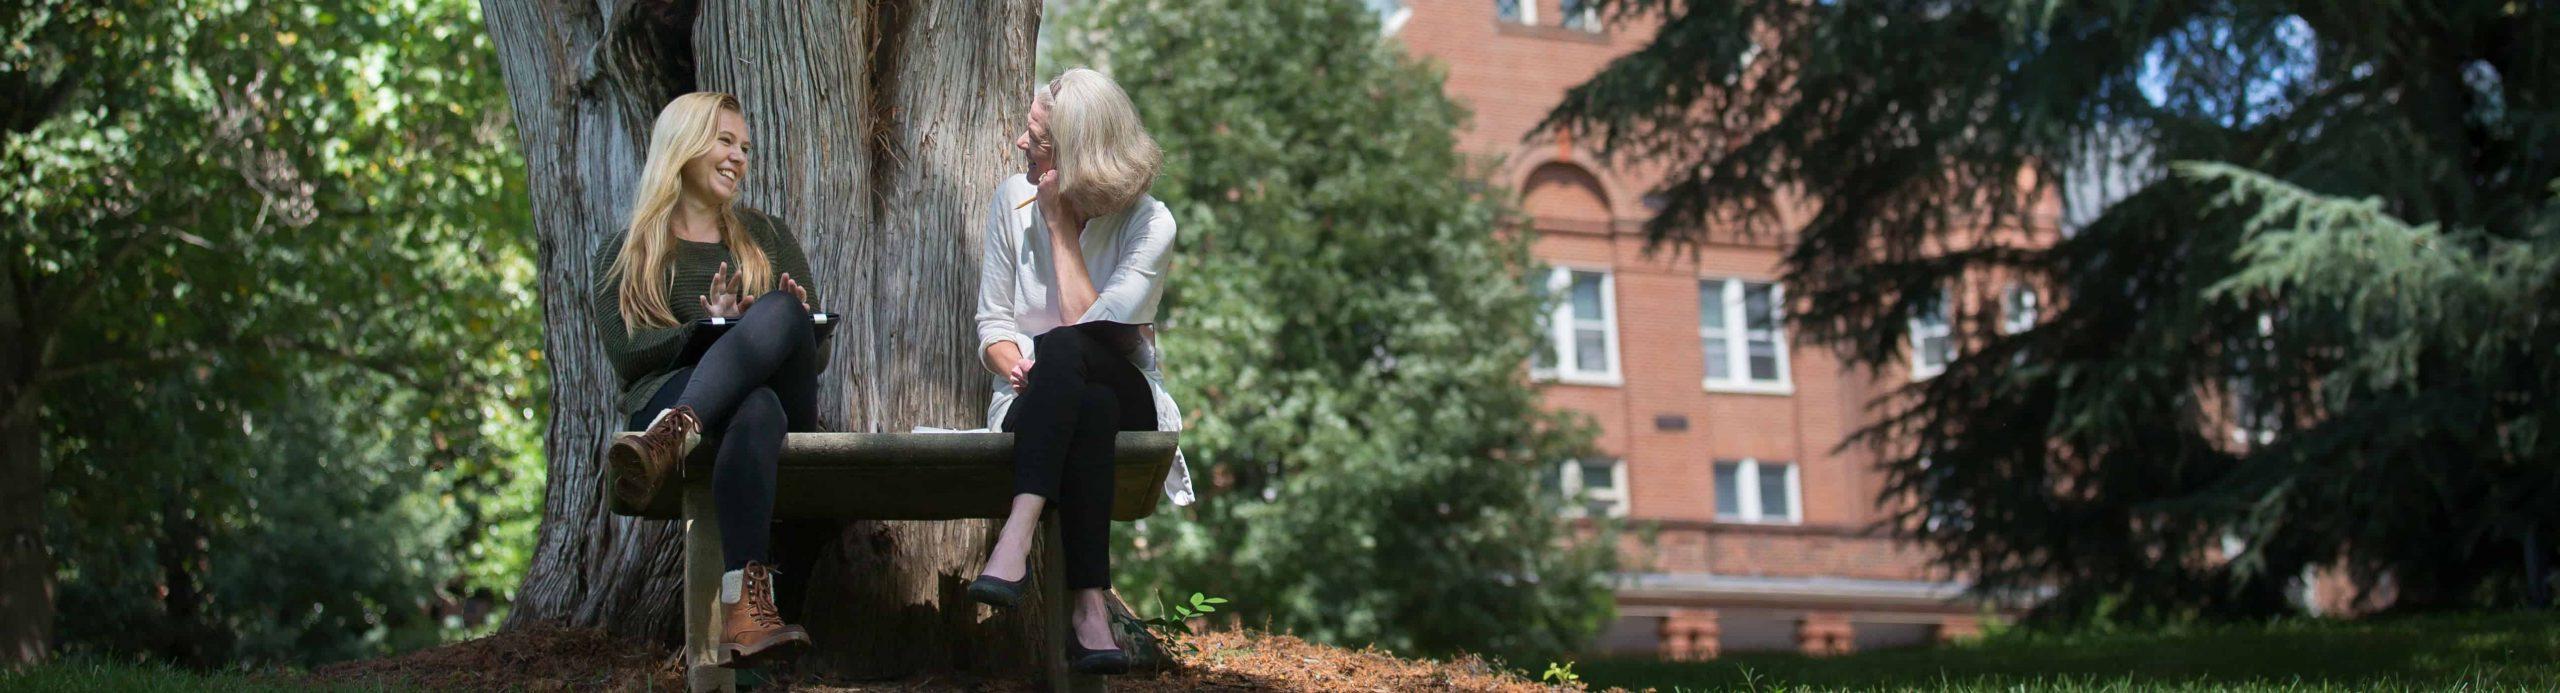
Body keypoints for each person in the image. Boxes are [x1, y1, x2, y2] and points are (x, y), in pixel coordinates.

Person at [966, 67, 1194, 676]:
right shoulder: (1007, 200)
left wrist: (1060, 227)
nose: (1020, 144)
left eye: (1036, 139)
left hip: (1129, 394)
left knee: (1070, 348)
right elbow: (993, 325)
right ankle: (1089, 610)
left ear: (1076, 157)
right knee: (1081, 406)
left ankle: (1016, 533)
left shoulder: (1152, 224)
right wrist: (1014, 363)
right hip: (1037, 399)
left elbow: (1092, 328)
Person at [595, 91, 834, 670]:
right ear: (684, 147)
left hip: (768, 401)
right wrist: (704, 329)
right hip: (681, 395)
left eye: (744, 147)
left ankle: (671, 435)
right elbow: (627, 355)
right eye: (724, 141)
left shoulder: (767, 236)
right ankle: (746, 610)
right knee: (754, 406)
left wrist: (784, 322)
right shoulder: (628, 250)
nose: (737, 157)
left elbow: (815, 356)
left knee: (782, 309)